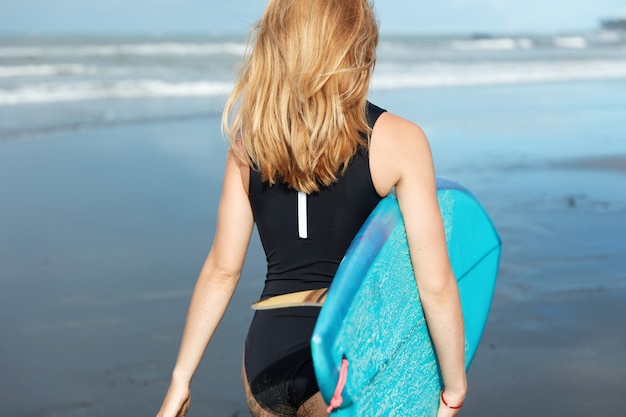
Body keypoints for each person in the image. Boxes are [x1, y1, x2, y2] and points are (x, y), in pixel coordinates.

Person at [156, 0, 467, 416]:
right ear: (355, 45)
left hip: (264, 362)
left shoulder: (249, 144)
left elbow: (222, 270)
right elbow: (436, 284)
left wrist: (181, 378)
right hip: (345, 359)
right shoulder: (398, 139)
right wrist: (453, 385)